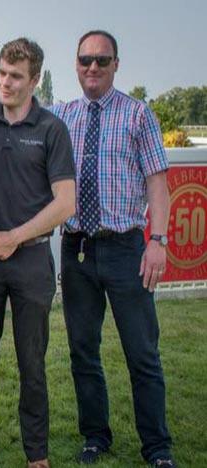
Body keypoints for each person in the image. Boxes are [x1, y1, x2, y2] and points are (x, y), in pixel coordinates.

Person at [50, 30, 176, 468]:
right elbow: (10, 109)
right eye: (86, 59)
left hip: (126, 249)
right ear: (76, 63)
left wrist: (157, 241)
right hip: (77, 250)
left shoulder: (138, 114)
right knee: (83, 352)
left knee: (142, 353)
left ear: (116, 64)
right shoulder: (61, 115)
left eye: (102, 60)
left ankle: (157, 448)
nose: (93, 67)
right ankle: (95, 436)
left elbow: (158, 184)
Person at [0, 38, 76, 468]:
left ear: (34, 80)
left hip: (31, 259)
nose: (5, 82)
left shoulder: (51, 130)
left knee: (32, 364)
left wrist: (16, 237)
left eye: (15, 76)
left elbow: (65, 203)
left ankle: (36, 455)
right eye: (2, 72)